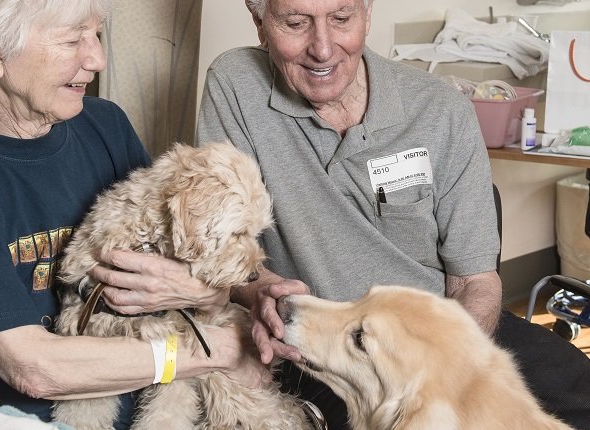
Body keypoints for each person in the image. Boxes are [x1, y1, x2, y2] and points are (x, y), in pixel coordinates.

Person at [195, 0, 590, 428]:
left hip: (445, 338)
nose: (323, 48)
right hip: (325, 348)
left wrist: (448, 371)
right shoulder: (236, 87)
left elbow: (474, 281)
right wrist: (263, 289)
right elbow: (221, 248)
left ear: (367, 15)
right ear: (260, 23)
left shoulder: (441, 110)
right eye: (296, 23)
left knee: (576, 394)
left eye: (342, 19)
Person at [0, 0, 269, 426]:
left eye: (96, 34)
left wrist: (206, 294)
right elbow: (33, 368)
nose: (97, 59)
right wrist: (219, 350)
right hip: (27, 415)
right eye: (72, 40)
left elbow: (187, 275)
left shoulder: (105, 125)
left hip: (155, 405)